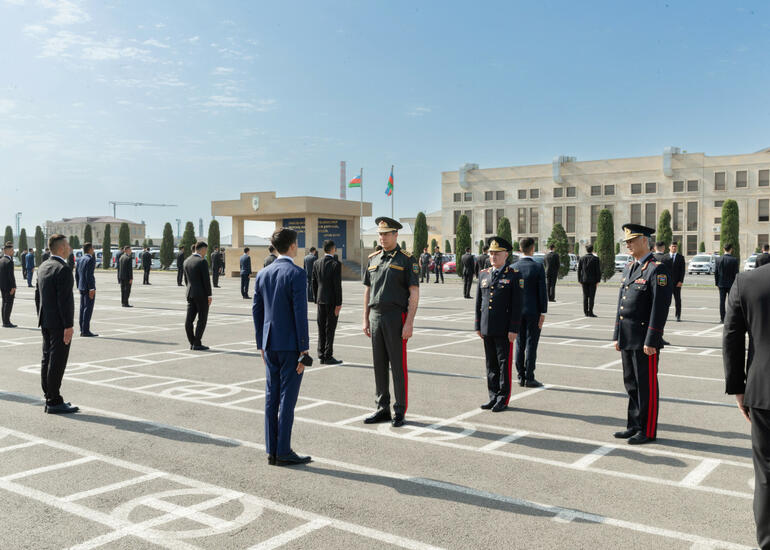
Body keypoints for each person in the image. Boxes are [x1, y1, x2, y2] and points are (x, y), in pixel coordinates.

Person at [253, 227, 312, 466]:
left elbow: (257, 311)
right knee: (287, 399)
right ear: (291, 246)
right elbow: (300, 314)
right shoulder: (297, 274)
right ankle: (284, 450)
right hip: (290, 346)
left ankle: (272, 449)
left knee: (271, 397)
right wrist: (304, 349)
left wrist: (260, 343)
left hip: (269, 344)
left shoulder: (263, 273)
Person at [723, 260, 770, 549]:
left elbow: (731, 336)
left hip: (764, 389)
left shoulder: (747, 281)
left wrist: (737, 387)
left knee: (766, 472)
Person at [612, 224, 672, 445]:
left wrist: (652, 338)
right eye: (626, 241)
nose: (628, 244)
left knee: (646, 385)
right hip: (628, 336)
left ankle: (647, 430)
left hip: (644, 339)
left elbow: (660, 306)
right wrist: (617, 335)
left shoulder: (657, 268)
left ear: (645, 241)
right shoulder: (630, 267)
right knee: (631, 383)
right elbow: (622, 303)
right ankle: (634, 425)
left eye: (632, 240)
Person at [362, 217, 419, 427]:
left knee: (397, 366)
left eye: (386, 234)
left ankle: (399, 410)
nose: (382, 237)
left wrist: (409, 322)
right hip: (376, 316)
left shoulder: (406, 259)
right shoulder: (373, 258)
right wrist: (365, 318)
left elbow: (414, 292)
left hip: (396, 317)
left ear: (396, 235)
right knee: (379, 366)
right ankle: (382, 408)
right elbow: (368, 290)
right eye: (380, 234)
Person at [475, 237, 521, 412]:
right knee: (490, 364)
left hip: (504, 329)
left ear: (506, 255)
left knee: (503, 364)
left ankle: (503, 398)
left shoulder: (514, 275)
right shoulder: (484, 274)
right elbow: (479, 302)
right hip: (487, 327)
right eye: (491, 253)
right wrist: (478, 325)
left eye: (497, 253)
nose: (493, 256)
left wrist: (514, 328)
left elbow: (517, 305)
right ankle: (492, 396)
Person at [34, 234, 78, 414]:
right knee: (57, 361)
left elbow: (38, 296)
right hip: (59, 323)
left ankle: (49, 396)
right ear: (61, 248)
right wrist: (68, 325)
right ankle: (53, 400)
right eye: (68, 245)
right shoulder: (63, 269)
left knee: (47, 358)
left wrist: (42, 317)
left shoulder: (43, 266)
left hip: (46, 320)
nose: (70, 248)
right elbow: (65, 301)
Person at [513, 238, 547, 387]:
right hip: (534, 311)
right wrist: (543, 312)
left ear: (520, 249)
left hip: (517, 311)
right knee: (532, 344)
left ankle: (520, 375)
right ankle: (529, 377)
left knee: (519, 343)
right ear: (532, 248)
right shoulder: (538, 267)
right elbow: (542, 292)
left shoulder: (513, 266)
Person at [312, 240, 343, 365]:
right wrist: (339, 303)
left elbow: (313, 282)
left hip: (320, 300)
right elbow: (337, 286)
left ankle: (321, 354)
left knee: (321, 327)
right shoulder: (335, 264)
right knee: (330, 328)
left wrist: (316, 298)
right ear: (333, 249)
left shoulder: (316, 263)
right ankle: (328, 355)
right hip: (332, 300)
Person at [184, 241, 212, 351]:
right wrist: (209, 295)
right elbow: (206, 280)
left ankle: (192, 341)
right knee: (202, 319)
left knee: (189, 319)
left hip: (190, 293)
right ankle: (197, 342)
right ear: (202, 249)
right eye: (206, 250)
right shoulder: (202, 262)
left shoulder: (186, 261)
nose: (206, 252)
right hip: (201, 295)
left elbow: (186, 280)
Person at [75, 243, 97, 337]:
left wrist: (79, 286)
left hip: (82, 286)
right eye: (93, 248)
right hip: (88, 287)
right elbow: (89, 275)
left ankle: (82, 328)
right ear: (90, 249)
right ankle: (85, 330)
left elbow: (77, 274)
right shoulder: (90, 259)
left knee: (82, 308)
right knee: (88, 309)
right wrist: (92, 288)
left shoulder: (80, 259)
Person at [715, 243, 739, 323]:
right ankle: (730, 318)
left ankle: (722, 319)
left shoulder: (718, 259)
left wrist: (717, 283)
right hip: (731, 284)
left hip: (721, 284)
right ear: (731, 249)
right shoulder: (734, 260)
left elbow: (716, 273)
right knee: (731, 302)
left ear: (723, 249)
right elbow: (736, 274)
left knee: (722, 302)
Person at [577, 244, 601, 317]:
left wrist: (579, 280)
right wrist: (598, 280)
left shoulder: (582, 258)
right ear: (592, 250)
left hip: (584, 280)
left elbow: (579, 270)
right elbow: (598, 271)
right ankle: (590, 312)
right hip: (593, 281)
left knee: (585, 296)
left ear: (586, 250)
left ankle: (585, 312)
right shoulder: (596, 259)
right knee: (591, 297)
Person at [0, 241, 17, 328]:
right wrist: (13, 287)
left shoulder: (1, 260)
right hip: (9, 287)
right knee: (8, 304)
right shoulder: (9, 261)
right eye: (12, 250)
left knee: (4, 303)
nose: (13, 252)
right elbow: (11, 276)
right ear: (7, 251)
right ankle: (7, 322)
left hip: (2, 286)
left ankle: (4, 321)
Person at [669, 241, 686, 321]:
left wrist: (681, 281)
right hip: (667, 284)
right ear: (669, 247)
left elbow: (682, 271)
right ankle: (664, 315)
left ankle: (678, 316)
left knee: (678, 300)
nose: (674, 248)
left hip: (677, 283)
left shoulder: (680, 257)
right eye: (672, 246)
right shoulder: (665, 257)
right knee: (666, 301)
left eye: (675, 246)